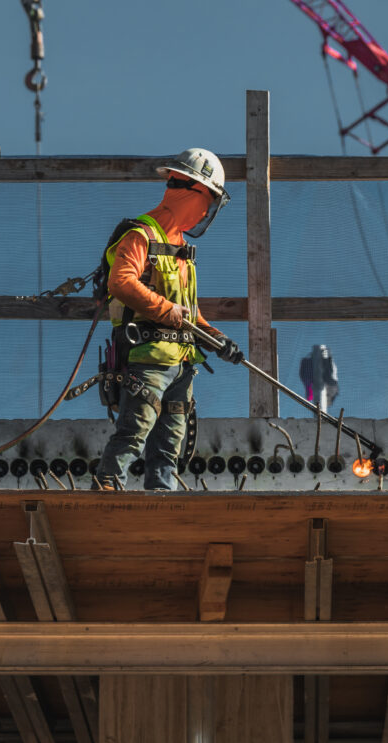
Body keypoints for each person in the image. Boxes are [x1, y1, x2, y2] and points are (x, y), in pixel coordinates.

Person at [96, 148, 243, 491]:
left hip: (181, 363)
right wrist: (167, 311)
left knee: (168, 444)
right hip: (147, 359)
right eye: (208, 200)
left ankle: (161, 501)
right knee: (134, 431)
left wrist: (217, 339)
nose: (207, 210)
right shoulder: (141, 234)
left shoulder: (180, 250)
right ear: (189, 189)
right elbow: (121, 282)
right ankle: (105, 491)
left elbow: (190, 313)